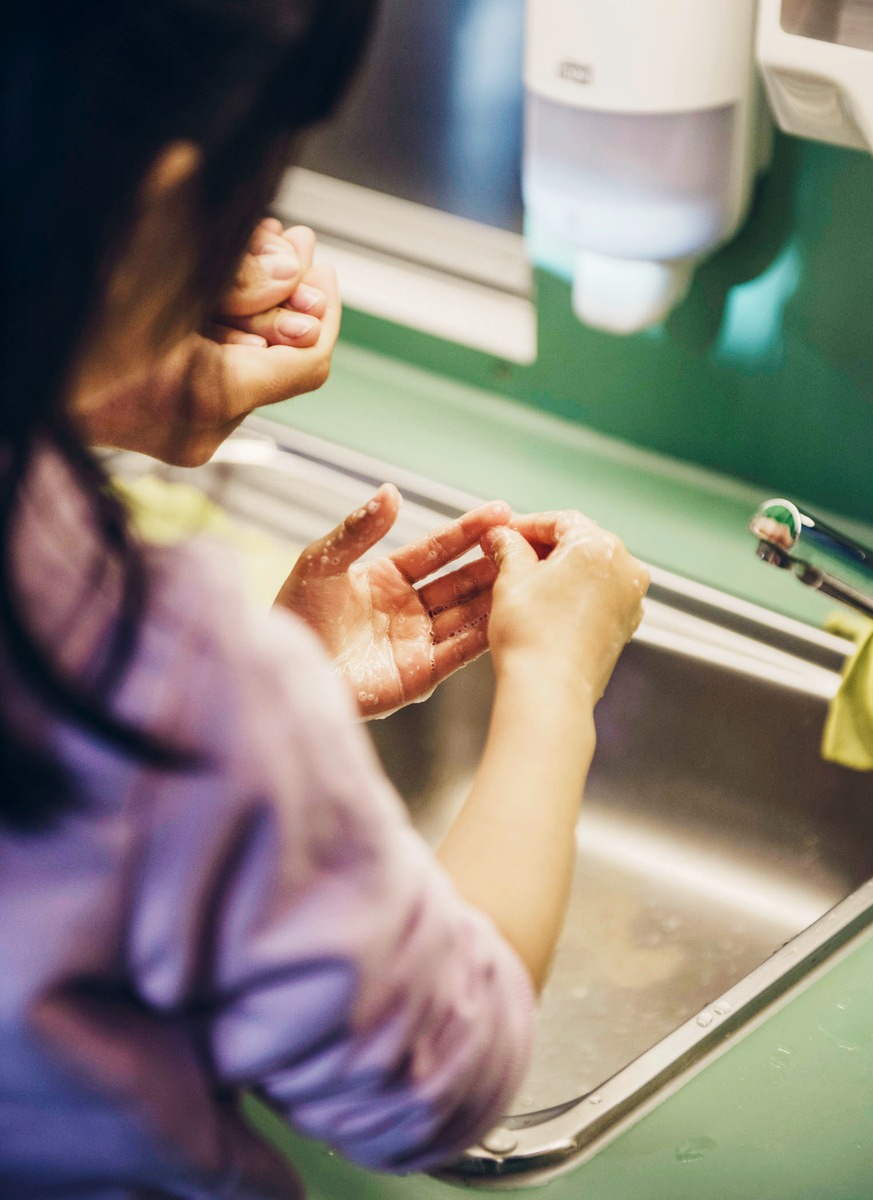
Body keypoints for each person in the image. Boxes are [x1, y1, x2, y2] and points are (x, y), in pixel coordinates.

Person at [0, 3, 650, 1198]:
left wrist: (93, 380)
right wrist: (555, 684)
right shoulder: (151, 668)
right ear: (153, 210)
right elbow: (434, 1079)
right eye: (253, 195)